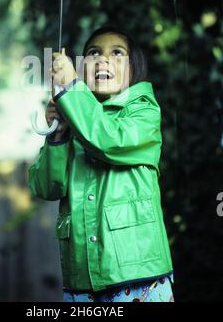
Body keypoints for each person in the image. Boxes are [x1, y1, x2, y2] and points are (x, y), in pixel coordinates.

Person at [28, 25, 174, 302]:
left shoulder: (144, 110)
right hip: (81, 280)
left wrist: (71, 90)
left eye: (117, 53)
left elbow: (109, 140)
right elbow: (47, 187)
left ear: (134, 69)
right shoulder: (77, 117)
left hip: (137, 274)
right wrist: (58, 136)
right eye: (93, 53)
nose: (103, 59)